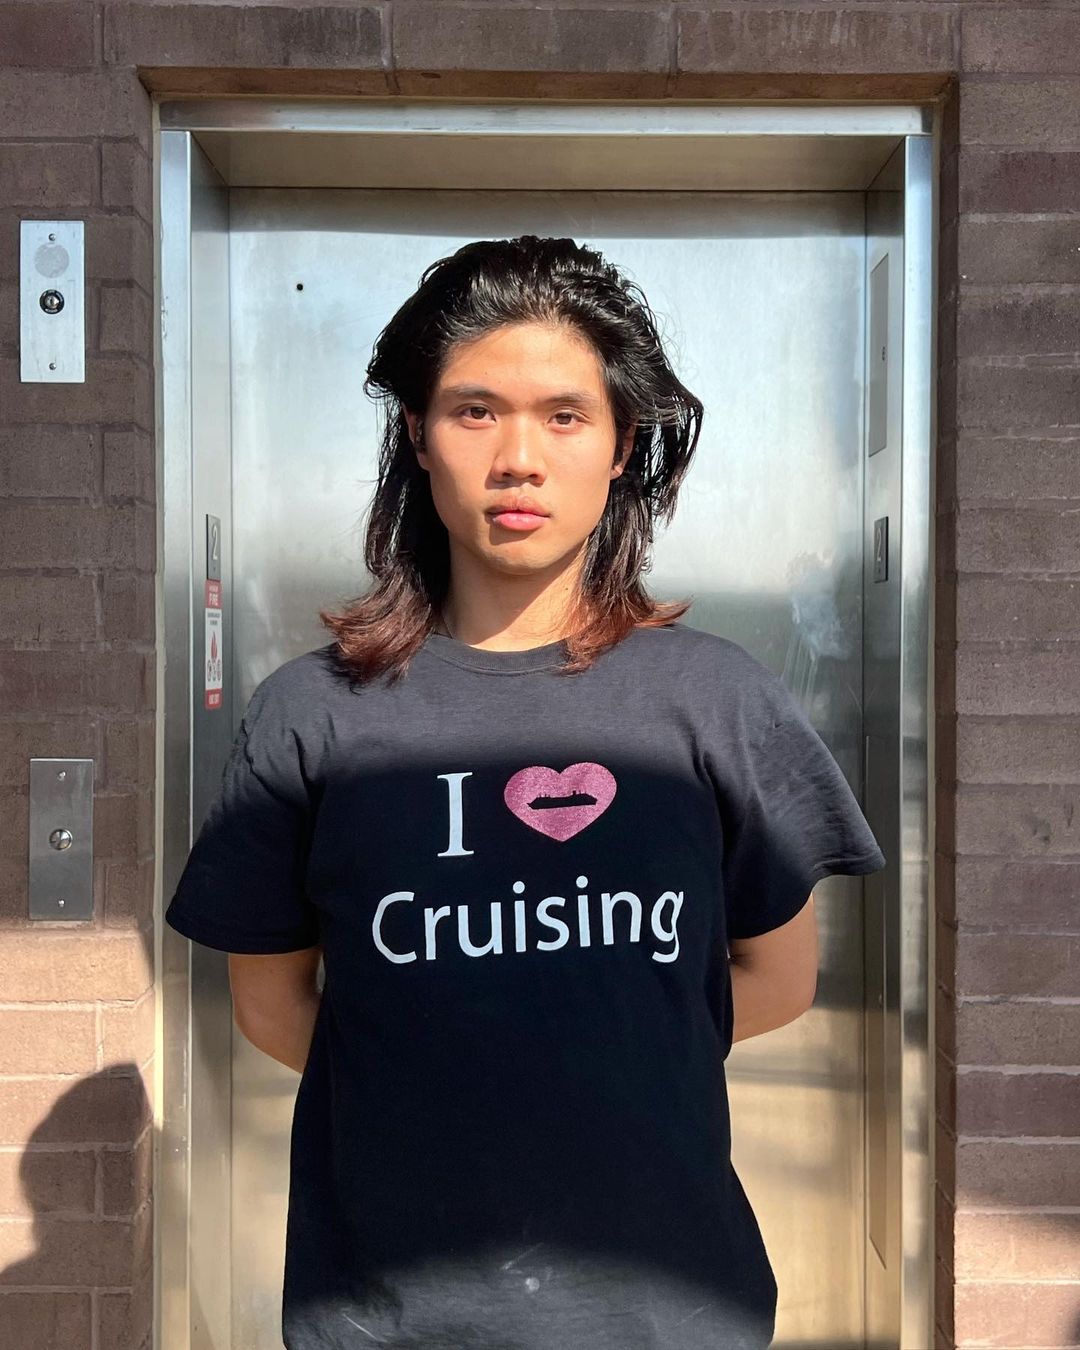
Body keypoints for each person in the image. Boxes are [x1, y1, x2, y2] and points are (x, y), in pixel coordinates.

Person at [165, 235, 887, 1350]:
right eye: (474, 411)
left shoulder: (719, 700)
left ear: (622, 444)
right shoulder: (310, 714)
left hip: (670, 1310)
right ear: (416, 433)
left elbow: (780, 979)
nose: (519, 460)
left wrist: (596, 1060)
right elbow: (270, 1005)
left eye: (564, 415)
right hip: (388, 1314)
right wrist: (456, 1078)